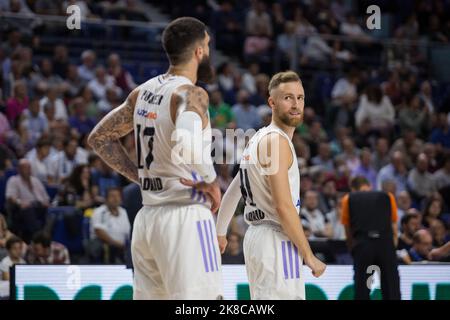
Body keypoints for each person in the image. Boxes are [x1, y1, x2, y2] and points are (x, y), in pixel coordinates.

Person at [88, 17, 223, 300]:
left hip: (148, 220)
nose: (209, 53)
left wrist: (139, 177)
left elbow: (98, 138)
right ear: (199, 51)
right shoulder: (191, 93)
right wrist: (211, 181)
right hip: (186, 218)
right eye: (208, 46)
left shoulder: (142, 92)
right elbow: (187, 138)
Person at [216, 71, 326, 300]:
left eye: (300, 97)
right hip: (276, 239)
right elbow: (283, 206)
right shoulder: (276, 141)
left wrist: (220, 233)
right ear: (272, 102)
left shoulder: (257, 139)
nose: (296, 104)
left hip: (258, 238)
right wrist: (308, 255)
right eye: (288, 97)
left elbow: (233, 192)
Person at [341, 176, 400, 300]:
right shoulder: (388, 197)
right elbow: (394, 227)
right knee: (391, 287)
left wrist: (353, 248)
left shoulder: (349, 198)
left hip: (363, 245)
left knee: (363, 287)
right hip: (385, 245)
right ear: (369, 185)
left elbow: (347, 229)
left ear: (353, 188)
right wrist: (392, 247)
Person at [5, 159, 50, 243]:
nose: (27, 170)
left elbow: (45, 197)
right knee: (29, 210)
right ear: (19, 169)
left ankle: (47, 237)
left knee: (52, 212)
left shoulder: (35, 180)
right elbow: (10, 197)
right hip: (21, 210)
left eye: (29, 168)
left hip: (39, 206)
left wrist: (46, 202)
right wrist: (20, 203)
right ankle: (38, 238)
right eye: (24, 168)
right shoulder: (13, 180)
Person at [89, 187, 130, 264]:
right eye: (112, 196)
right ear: (106, 199)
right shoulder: (99, 212)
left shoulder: (124, 212)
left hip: (123, 246)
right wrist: (117, 244)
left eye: (118, 196)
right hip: (106, 245)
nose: (115, 198)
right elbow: (99, 232)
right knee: (108, 248)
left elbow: (129, 232)